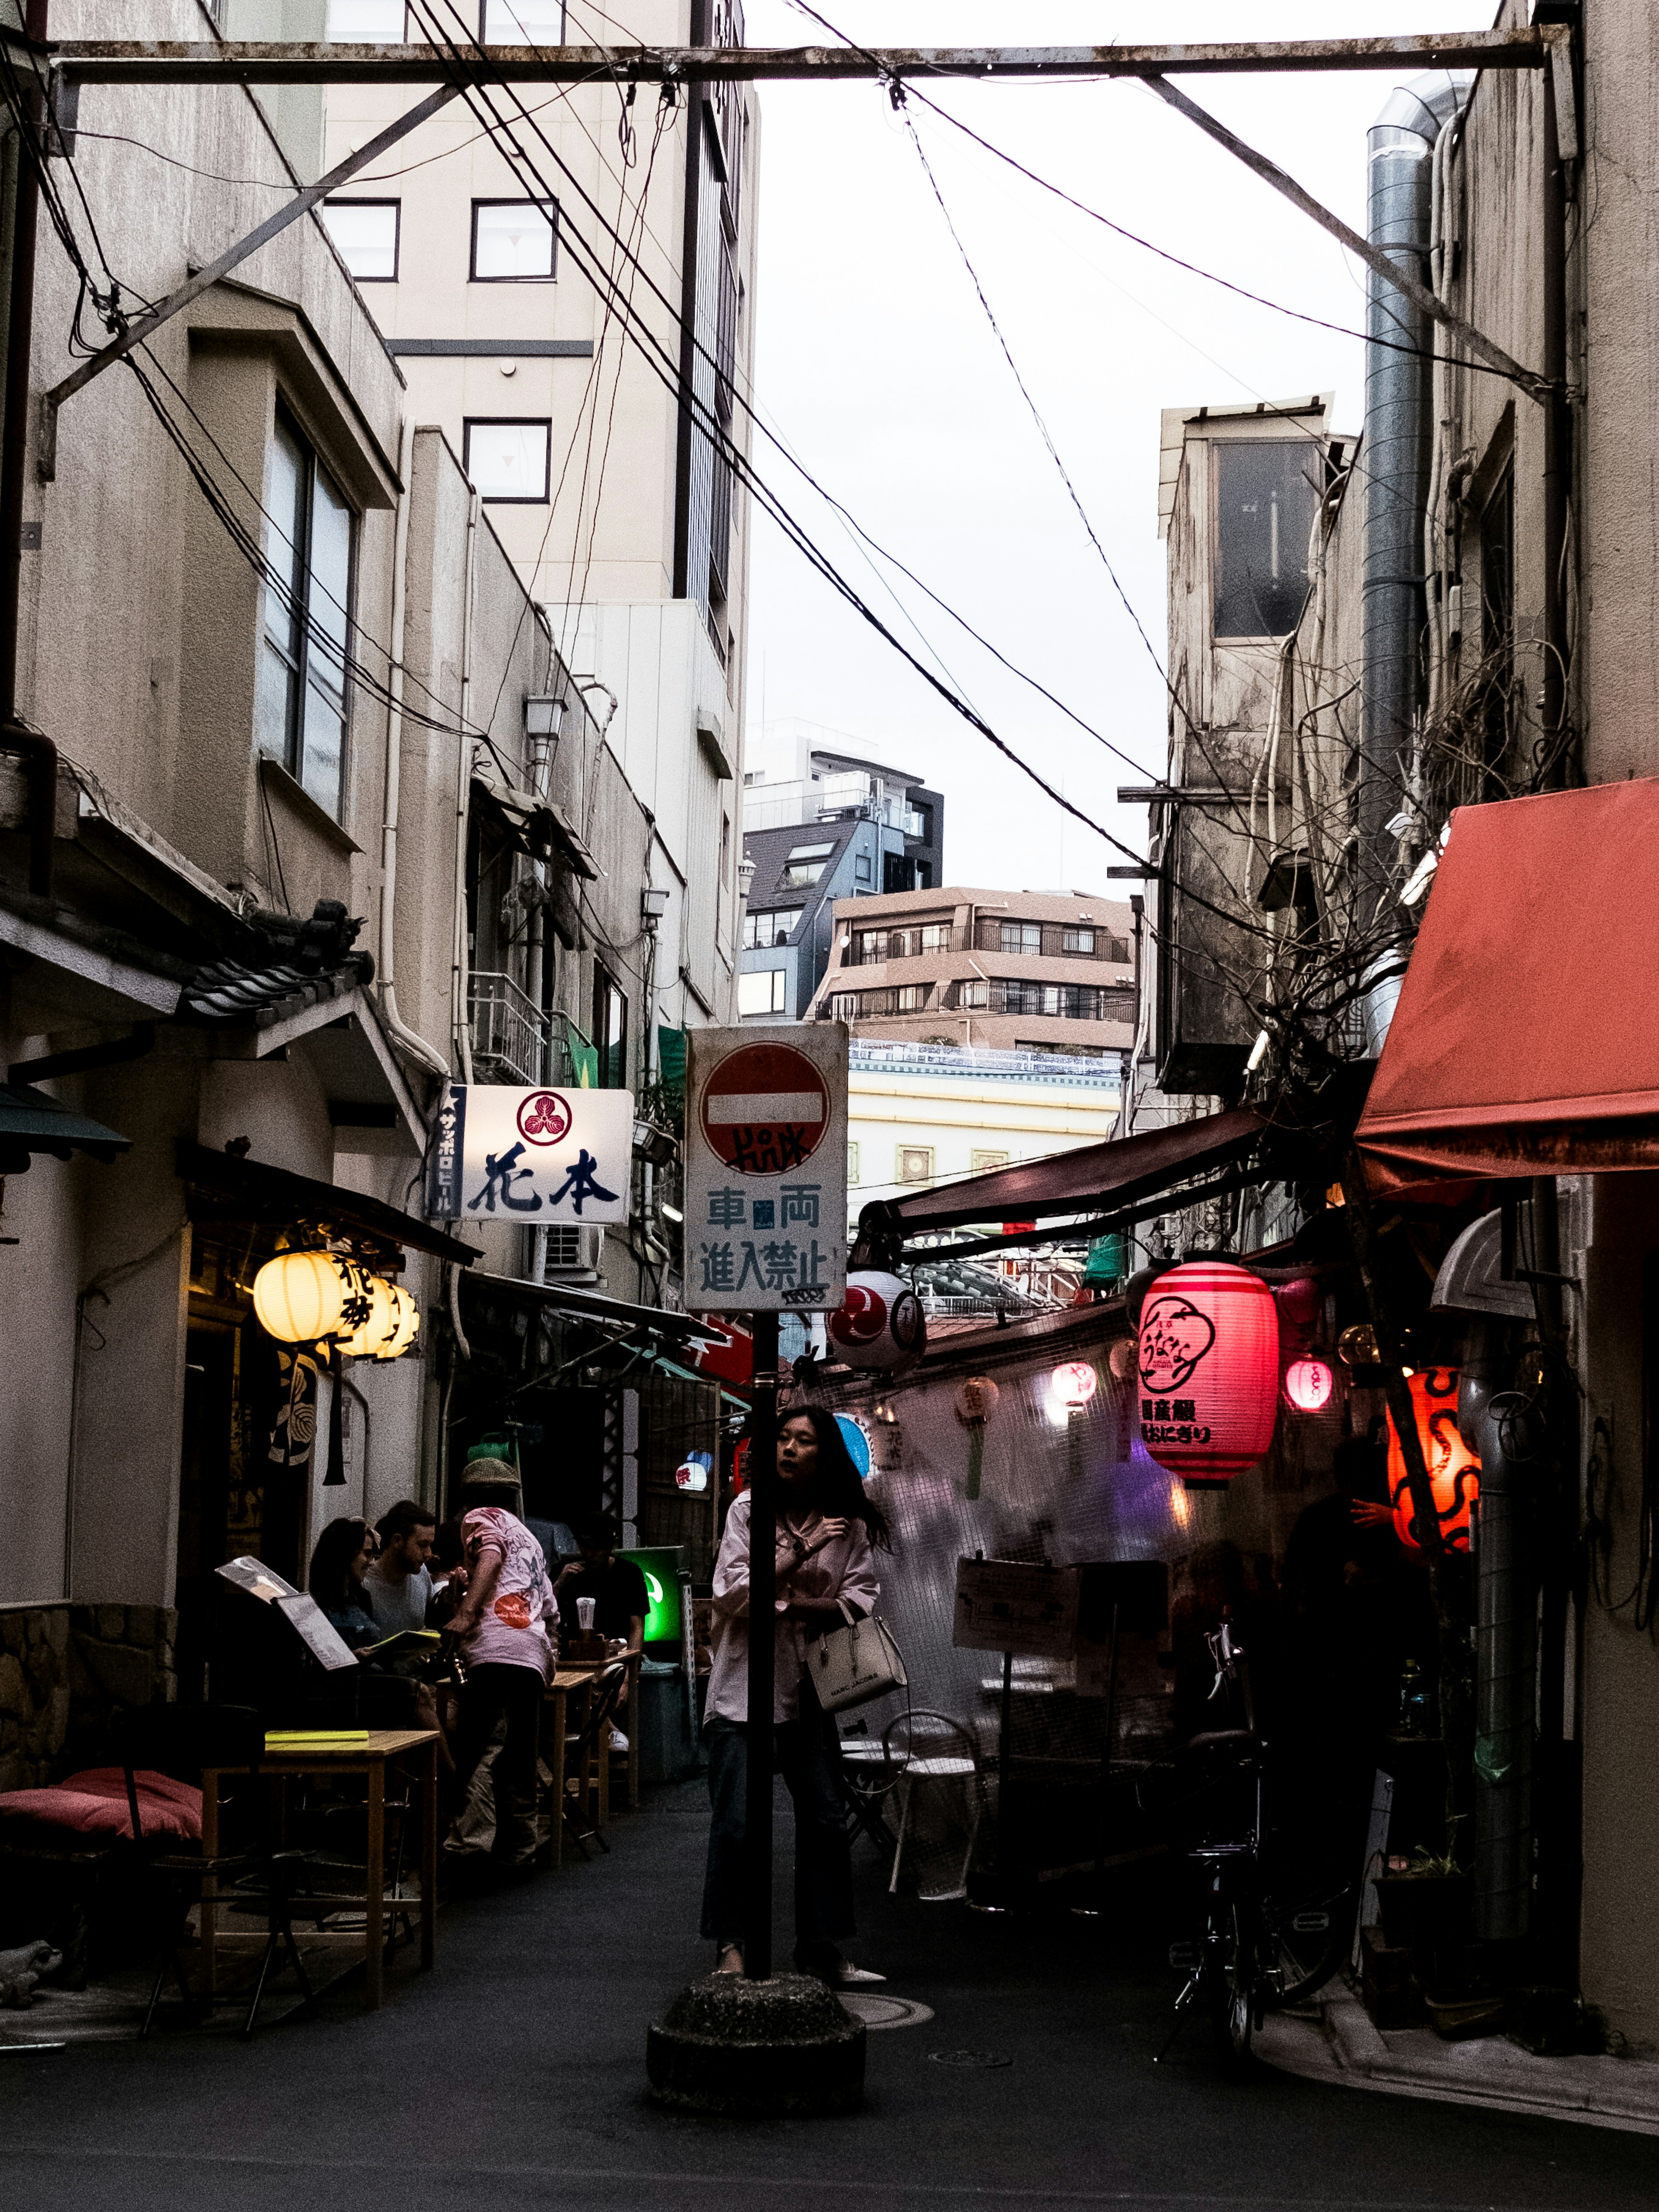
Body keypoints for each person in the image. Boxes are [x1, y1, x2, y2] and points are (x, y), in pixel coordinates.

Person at [702, 1404, 888, 1989]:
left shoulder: (849, 1525)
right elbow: (733, 1594)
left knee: (827, 1818)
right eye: (782, 1437)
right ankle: (733, 1944)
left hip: (808, 1689)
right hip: (742, 1689)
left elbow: (859, 1599)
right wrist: (802, 1554)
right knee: (737, 1824)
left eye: (802, 1440)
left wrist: (784, 1603)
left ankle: (820, 1945)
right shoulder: (747, 1511)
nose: (787, 1447)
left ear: (825, 1454)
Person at [440, 1458, 559, 1878]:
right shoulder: (530, 1538)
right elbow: (550, 1608)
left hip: (494, 1649)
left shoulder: (481, 1518)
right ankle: (519, 1850)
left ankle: (469, 1850)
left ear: (470, 1497)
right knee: (518, 1754)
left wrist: (468, 1612)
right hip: (531, 1653)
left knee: (478, 1750)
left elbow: (490, 1554)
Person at [554, 1515, 648, 1735]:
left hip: (616, 1658)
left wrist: (629, 1675)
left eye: (597, 1548)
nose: (590, 1554)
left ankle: (608, 1734)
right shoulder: (567, 1572)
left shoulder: (629, 1574)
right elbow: (542, 1612)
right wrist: (559, 1583)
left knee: (600, 1683)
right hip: (572, 1660)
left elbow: (637, 1627)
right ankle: (609, 1733)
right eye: (585, 1546)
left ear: (610, 1547)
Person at [363, 1500, 437, 1637]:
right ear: (397, 1541)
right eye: (422, 1545)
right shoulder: (364, 1582)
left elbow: (431, 1621)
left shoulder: (422, 1574)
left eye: (430, 1545)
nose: (429, 1554)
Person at [307, 1517, 380, 1650]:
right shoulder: (315, 1604)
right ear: (346, 1553)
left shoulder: (363, 1598)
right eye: (367, 1554)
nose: (372, 1562)